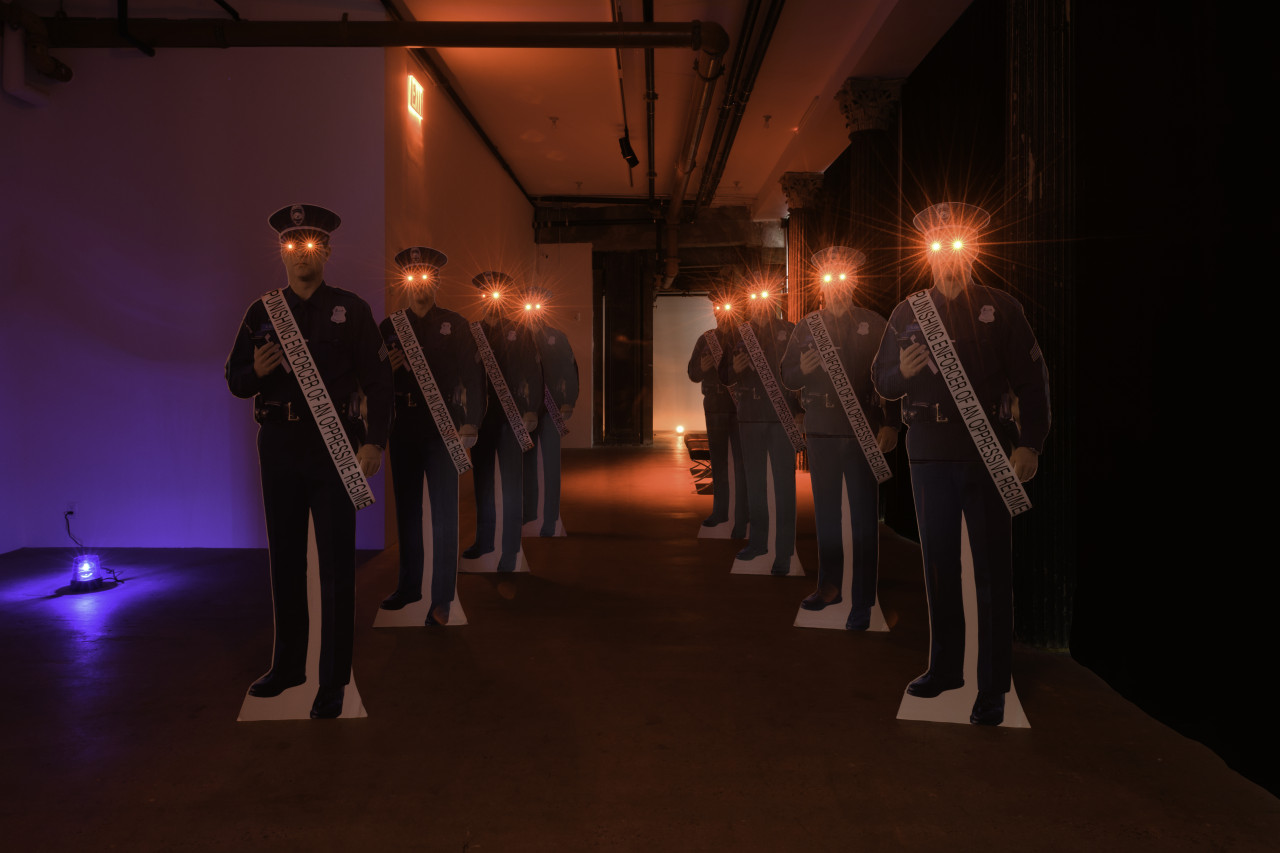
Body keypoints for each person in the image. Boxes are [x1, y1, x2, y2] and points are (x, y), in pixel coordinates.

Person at [872, 202, 1050, 725]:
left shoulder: (1001, 308)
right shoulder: (907, 311)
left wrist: (1031, 443)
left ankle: (993, 686)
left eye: (957, 244)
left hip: (989, 452)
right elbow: (881, 381)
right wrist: (900, 375)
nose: (948, 255)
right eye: (938, 244)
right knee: (938, 568)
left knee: (993, 572)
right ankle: (946, 668)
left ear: (971, 251)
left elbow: (1032, 382)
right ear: (926, 253)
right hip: (928, 453)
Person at [225, 203, 393, 719]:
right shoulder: (262, 311)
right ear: (282, 251)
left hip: (335, 446)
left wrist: (374, 442)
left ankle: (334, 678)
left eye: (313, 244)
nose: (303, 254)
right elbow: (235, 381)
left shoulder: (352, 309)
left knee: (338, 566)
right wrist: (253, 370)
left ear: (326, 251)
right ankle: (290, 667)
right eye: (293, 245)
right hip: (278, 445)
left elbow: (379, 381)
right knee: (286, 561)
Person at [781, 247, 899, 629]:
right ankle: (829, 587)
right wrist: (801, 368)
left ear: (853, 283)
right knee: (827, 516)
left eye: (844, 279)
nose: (837, 287)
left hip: (862, 428)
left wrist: (891, 423)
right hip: (821, 429)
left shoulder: (874, 323)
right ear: (821, 285)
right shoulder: (806, 326)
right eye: (830, 279)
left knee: (864, 517)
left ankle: (863, 599)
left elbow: (890, 378)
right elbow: (787, 377)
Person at [379, 247, 485, 626]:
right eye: (412, 275)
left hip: (445, 427)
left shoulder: (455, 324)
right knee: (407, 511)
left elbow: (473, 377)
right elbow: (372, 382)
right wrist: (383, 371)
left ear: (436, 281)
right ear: (403, 281)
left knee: (444, 515)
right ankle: (409, 587)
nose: (419, 282)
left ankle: (442, 596)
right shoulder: (390, 327)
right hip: (404, 425)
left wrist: (470, 421)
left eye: (426, 275)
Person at [719, 279, 802, 575]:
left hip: (782, 417)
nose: (760, 305)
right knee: (754, 483)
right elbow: (725, 375)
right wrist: (735, 370)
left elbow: (801, 375)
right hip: (750, 416)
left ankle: (784, 550)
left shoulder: (790, 331)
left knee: (784, 485)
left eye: (765, 299)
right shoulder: (738, 334)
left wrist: (801, 411)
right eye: (755, 300)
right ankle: (758, 543)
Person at [463, 271, 542, 573]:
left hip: (513, 416)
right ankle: (484, 542)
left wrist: (532, 409)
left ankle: (511, 548)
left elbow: (533, 374)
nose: (491, 299)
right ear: (481, 298)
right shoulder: (471, 332)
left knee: (511, 485)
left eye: (496, 294)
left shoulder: (519, 331)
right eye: (485, 294)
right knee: (482, 484)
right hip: (481, 418)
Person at [687, 290, 748, 538]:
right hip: (714, 405)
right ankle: (721, 512)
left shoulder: (747, 337)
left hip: (741, 406)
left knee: (743, 465)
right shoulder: (707, 338)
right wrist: (702, 368)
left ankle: (744, 517)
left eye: (725, 309)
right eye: (717, 309)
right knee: (719, 464)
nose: (721, 314)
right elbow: (692, 373)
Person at [519, 283, 578, 537]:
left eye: (539, 303)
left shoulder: (557, 336)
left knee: (551, 465)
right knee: (526, 465)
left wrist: (569, 400)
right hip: (523, 408)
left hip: (551, 406)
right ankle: (529, 517)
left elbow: (569, 369)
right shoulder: (514, 336)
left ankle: (551, 519)